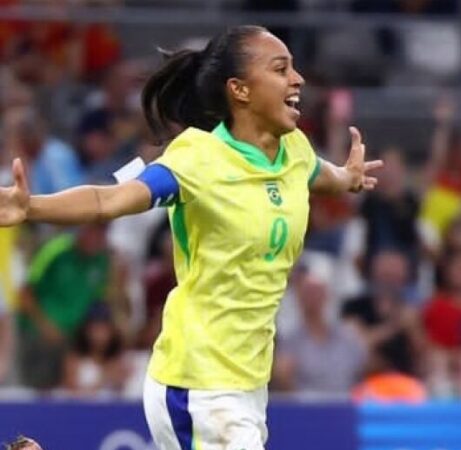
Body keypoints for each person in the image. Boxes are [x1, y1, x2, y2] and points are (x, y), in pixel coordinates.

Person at [0, 25, 381, 450]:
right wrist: (31, 206)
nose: (298, 79)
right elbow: (110, 200)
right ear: (240, 90)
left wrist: (347, 177)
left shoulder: (293, 151)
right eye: (280, 69)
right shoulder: (198, 158)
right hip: (197, 383)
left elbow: (317, 174)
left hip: (248, 383)